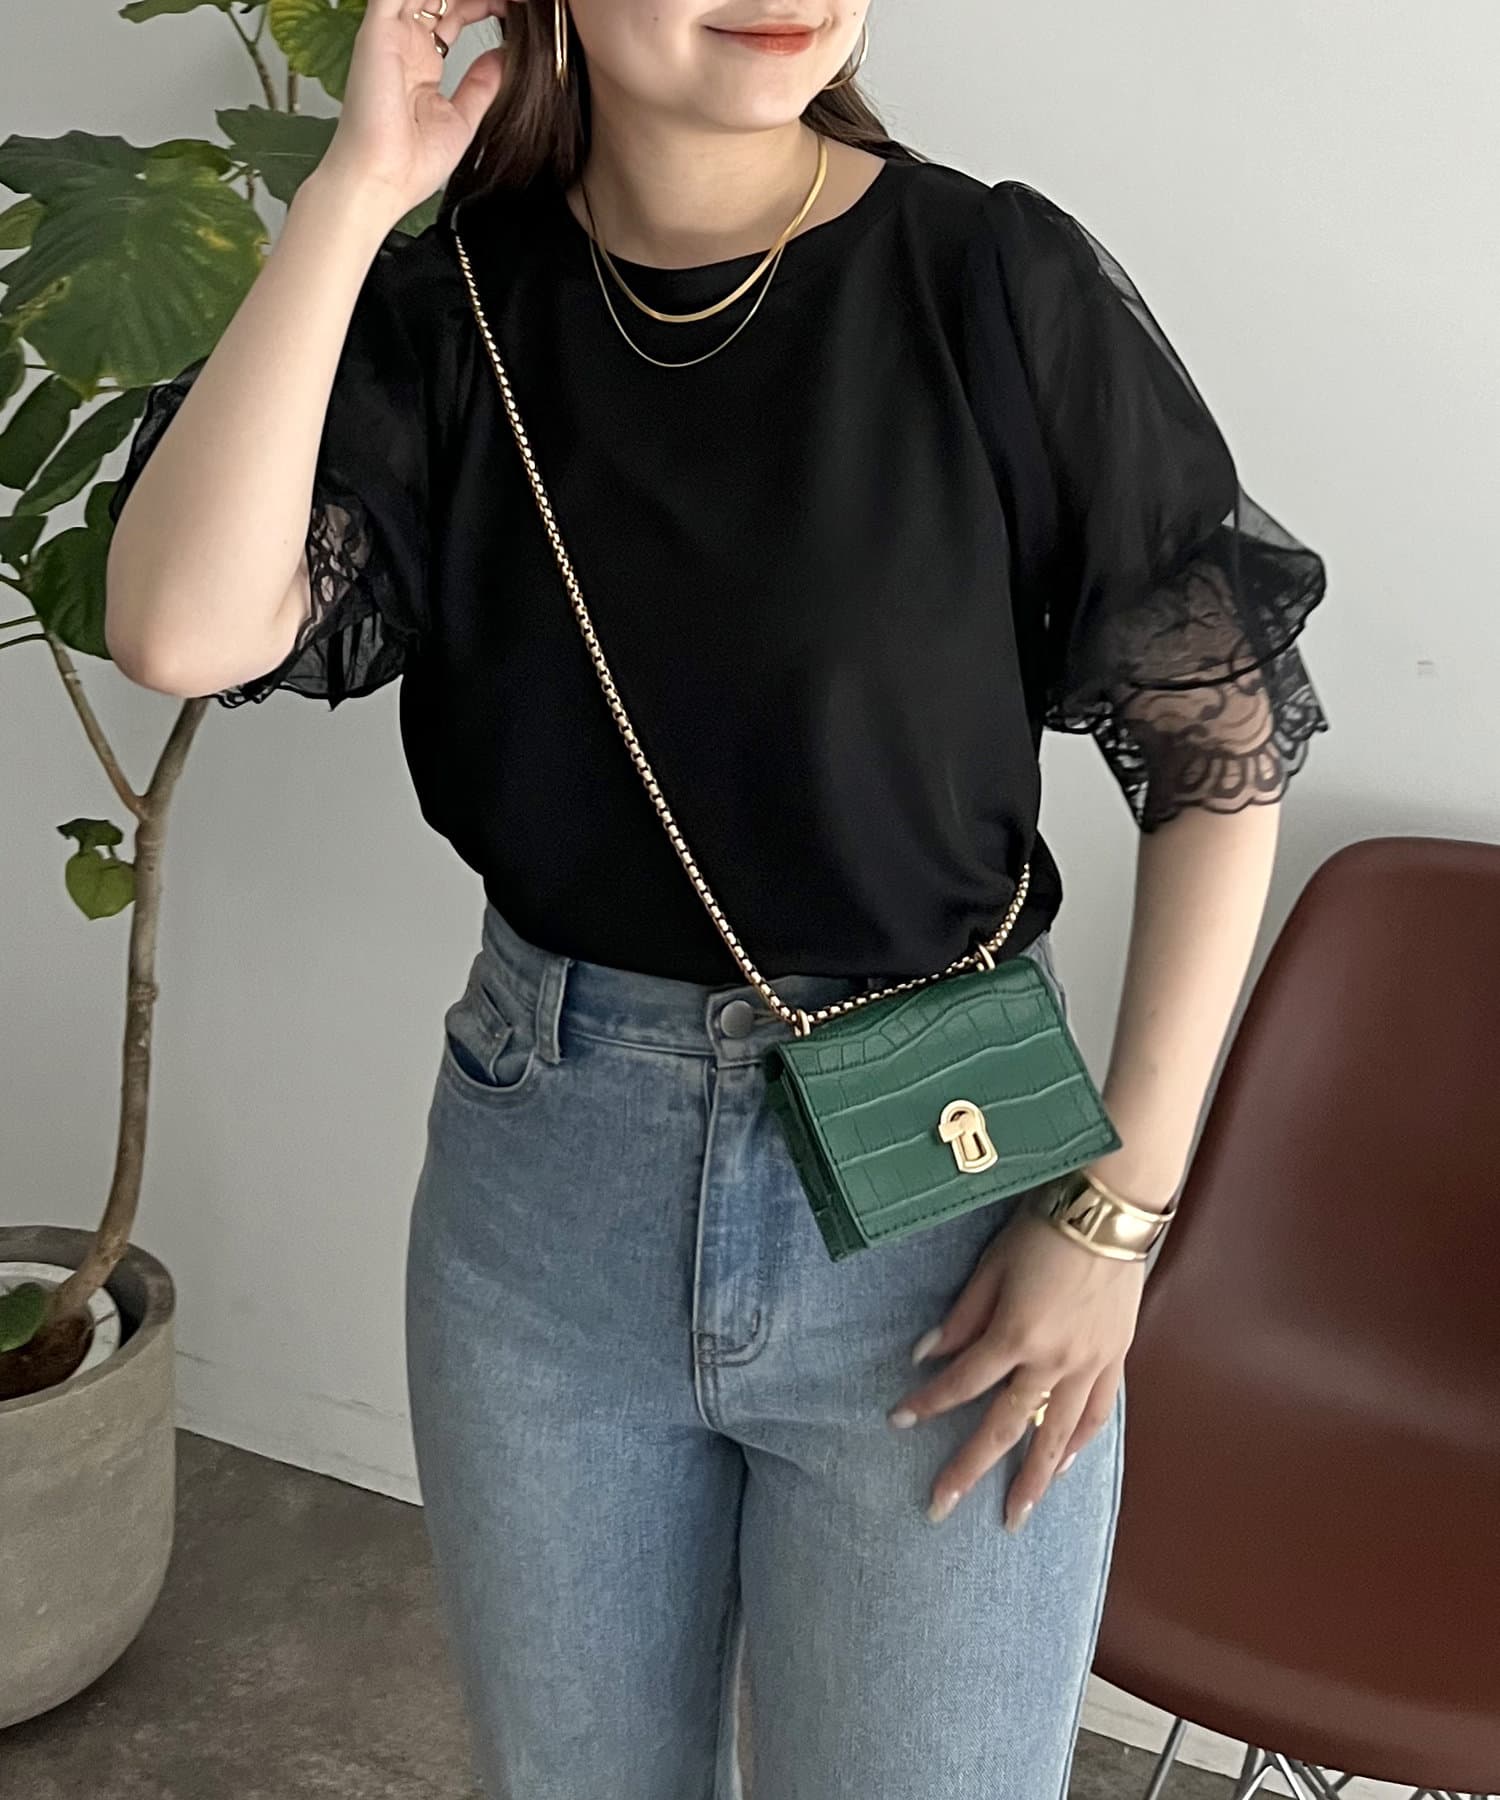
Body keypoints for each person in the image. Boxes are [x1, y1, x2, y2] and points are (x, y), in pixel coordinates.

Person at [104, 2, 1329, 1795]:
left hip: (946, 1193)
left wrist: (1117, 1216)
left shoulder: (987, 279)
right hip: (550, 1184)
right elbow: (178, 628)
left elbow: (1218, 744)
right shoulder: (448, 313)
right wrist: (358, 192)